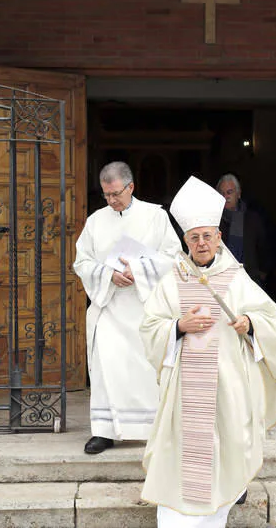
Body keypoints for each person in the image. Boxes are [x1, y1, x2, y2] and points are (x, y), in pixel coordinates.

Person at [140, 176, 276, 527]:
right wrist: (178, 326)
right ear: (185, 241)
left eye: (207, 235)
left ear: (219, 237)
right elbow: (149, 327)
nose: (201, 243)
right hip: (186, 390)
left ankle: (222, 502)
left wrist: (250, 323)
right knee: (184, 456)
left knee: (225, 447)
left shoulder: (235, 277)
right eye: (194, 237)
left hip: (227, 385)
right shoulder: (173, 279)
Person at [73, 161, 181, 454]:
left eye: (116, 194)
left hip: (146, 308)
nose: (111, 201)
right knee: (107, 367)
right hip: (110, 306)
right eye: (106, 195)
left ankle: (152, 430)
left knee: (145, 370)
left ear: (131, 187)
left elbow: (174, 257)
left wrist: (139, 270)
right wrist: (108, 274)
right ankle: (105, 431)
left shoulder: (155, 216)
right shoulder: (96, 220)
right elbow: (81, 262)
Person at [216, 173, 271, 285]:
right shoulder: (214, 220)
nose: (226, 196)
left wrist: (263, 272)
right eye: (222, 193)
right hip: (222, 280)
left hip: (251, 279)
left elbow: (264, 246)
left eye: (229, 192)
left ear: (239, 193)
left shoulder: (252, 218)